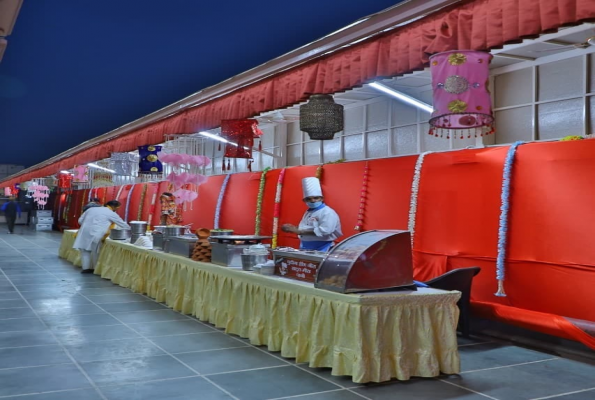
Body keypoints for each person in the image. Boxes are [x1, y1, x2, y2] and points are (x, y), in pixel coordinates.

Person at [281, 177, 342, 252]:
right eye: (308, 199)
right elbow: (309, 226)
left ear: (322, 198)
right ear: (304, 200)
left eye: (316, 198)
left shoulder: (327, 212)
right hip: (306, 247)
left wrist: (299, 232)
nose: (312, 201)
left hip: (323, 248)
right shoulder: (309, 212)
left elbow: (325, 231)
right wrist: (293, 228)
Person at [73, 200, 130, 274]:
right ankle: (95, 269)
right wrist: (131, 229)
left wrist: (88, 224)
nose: (116, 209)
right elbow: (122, 224)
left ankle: (86, 268)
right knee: (95, 251)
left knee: (84, 250)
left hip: (84, 231)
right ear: (113, 206)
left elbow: (80, 221)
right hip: (97, 232)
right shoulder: (111, 213)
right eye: (117, 208)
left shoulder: (91, 209)